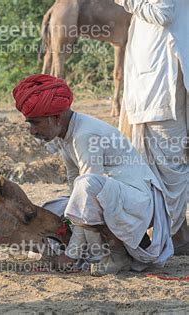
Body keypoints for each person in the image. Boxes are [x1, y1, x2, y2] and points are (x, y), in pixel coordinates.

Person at [13, 74, 174, 275]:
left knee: (86, 187)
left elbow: (87, 191)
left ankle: (116, 256)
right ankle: (87, 251)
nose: (32, 131)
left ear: (56, 118)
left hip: (138, 203)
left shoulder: (85, 135)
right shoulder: (65, 134)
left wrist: (71, 254)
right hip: (113, 196)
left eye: (35, 123)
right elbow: (74, 184)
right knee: (52, 209)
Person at [115, 0, 189, 254]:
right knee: (156, 162)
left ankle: (176, 234)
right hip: (153, 81)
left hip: (161, 83)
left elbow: (163, 13)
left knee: (168, 164)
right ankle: (175, 231)